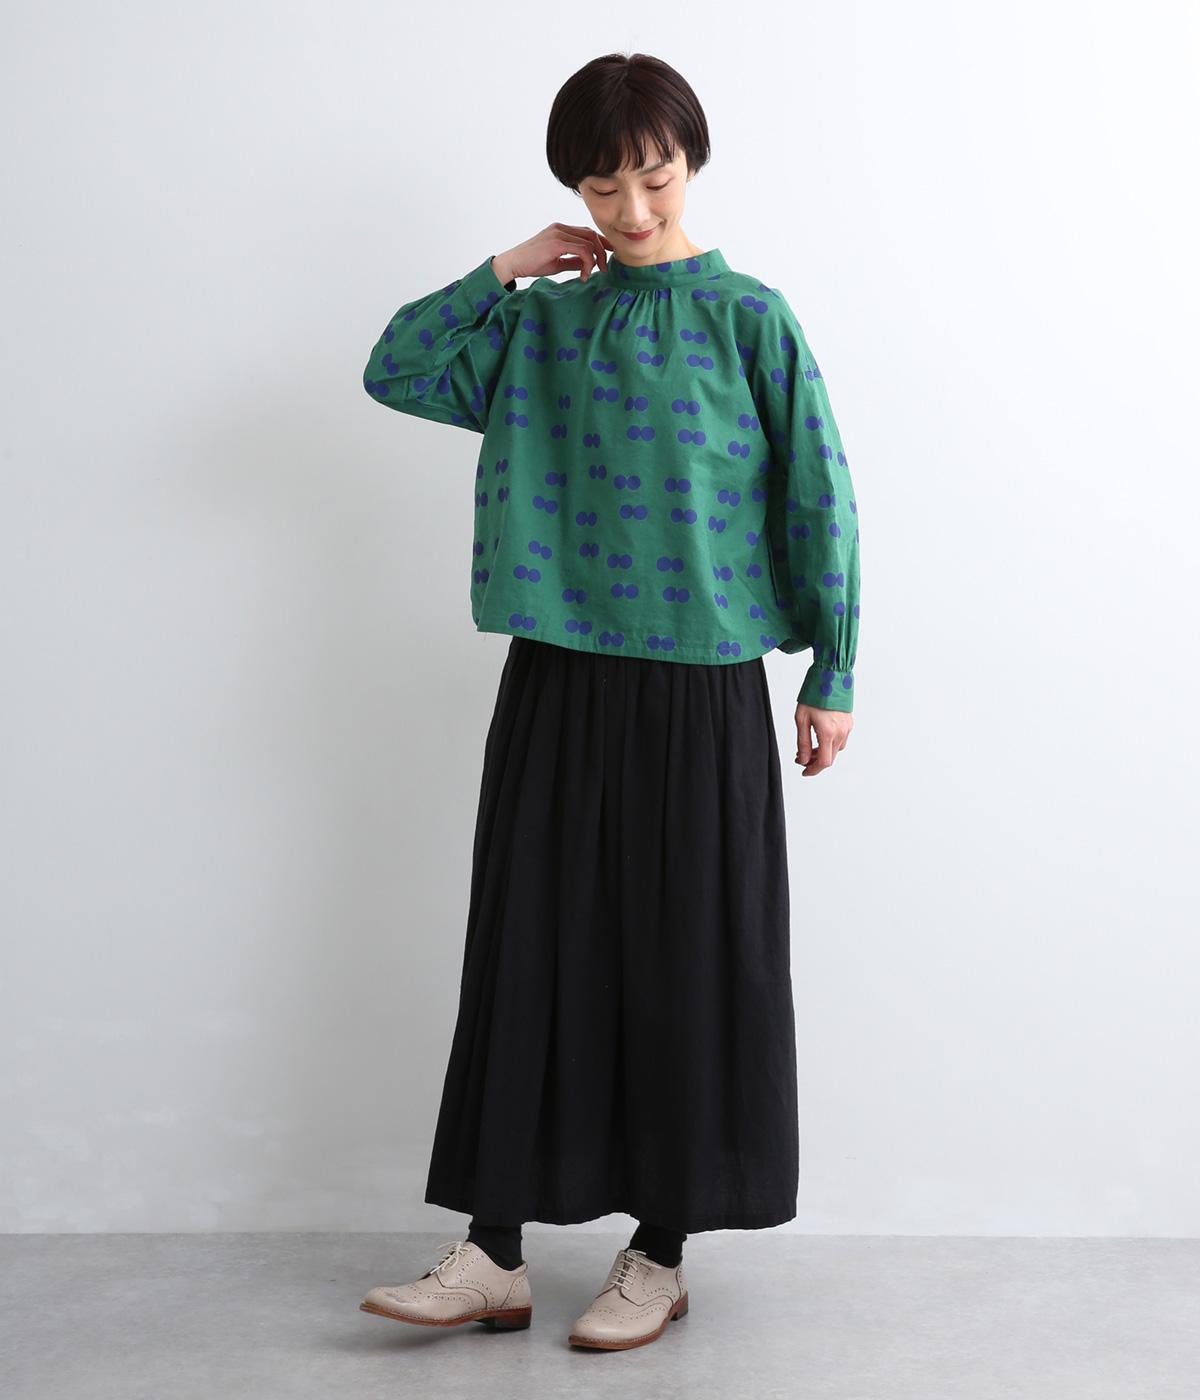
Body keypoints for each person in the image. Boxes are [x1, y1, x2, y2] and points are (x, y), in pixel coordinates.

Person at [356, 51, 860, 1352]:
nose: (633, 210)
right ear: (573, 189)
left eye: (656, 177)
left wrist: (835, 670)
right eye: (602, 187)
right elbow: (395, 368)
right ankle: (494, 1252)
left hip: (704, 682)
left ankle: (661, 1249)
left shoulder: (751, 319)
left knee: (688, 961)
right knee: (527, 950)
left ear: (692, 164)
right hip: (560, 668)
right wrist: (509, 266)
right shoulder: (544, 328)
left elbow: (820, 493)